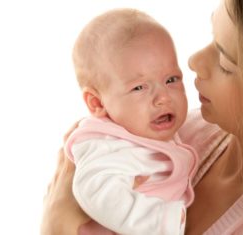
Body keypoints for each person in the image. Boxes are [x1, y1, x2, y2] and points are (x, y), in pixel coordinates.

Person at [41, 0, 243, 234]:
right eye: (211, 36)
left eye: (224, 62)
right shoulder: (178, 132)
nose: (193, 61)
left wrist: (56, 227)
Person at [61, 8, 198, 235]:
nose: (163, 97)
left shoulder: (150, 132)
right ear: (97, 103)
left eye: (171, 79)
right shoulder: (107, 143)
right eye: (138, 88)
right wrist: (160, 222)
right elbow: (94, 188)